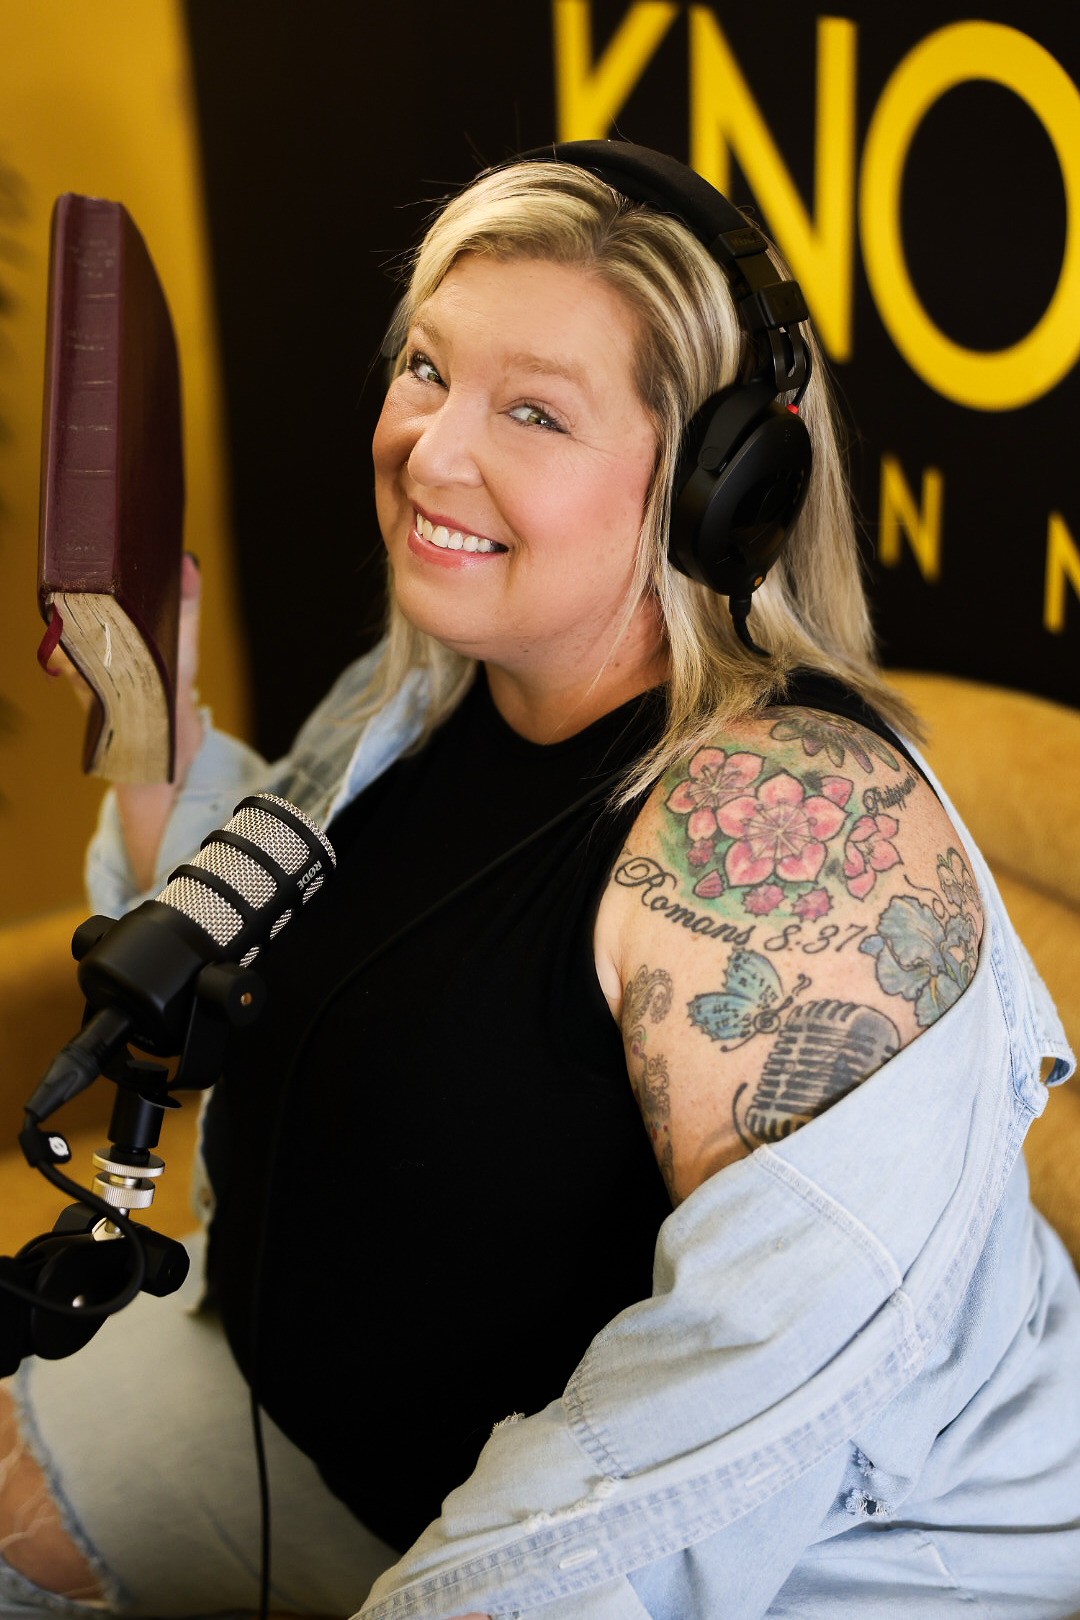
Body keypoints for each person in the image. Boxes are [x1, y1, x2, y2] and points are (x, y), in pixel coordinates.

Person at [3, 141, 1079, 1619]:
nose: (432, 452)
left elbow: (725, 1433)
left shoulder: (785, 828)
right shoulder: (432, 688)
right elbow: (291, 938)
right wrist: (152, 704)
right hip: (311, 1441)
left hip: (725, 1574)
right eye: (427, 370)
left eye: (533, 412)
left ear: (719, 491)